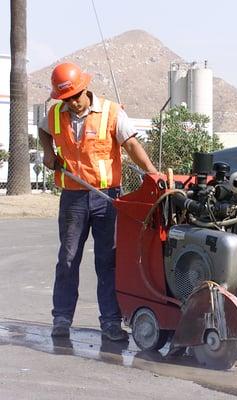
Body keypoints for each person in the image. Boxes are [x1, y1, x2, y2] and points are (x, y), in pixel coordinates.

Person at [38, 62, 158, 341]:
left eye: (75, 97)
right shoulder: (56, 113)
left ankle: (111, 322)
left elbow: (131, 145)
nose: (72, 104)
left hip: (107, 198)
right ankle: (62, 318)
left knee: (108, 261)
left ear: (84, 88)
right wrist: (47, 152)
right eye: (66, 99)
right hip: (72, 198)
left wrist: (152, 174)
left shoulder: (111, 113)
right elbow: (44, 131)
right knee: (68, 258)